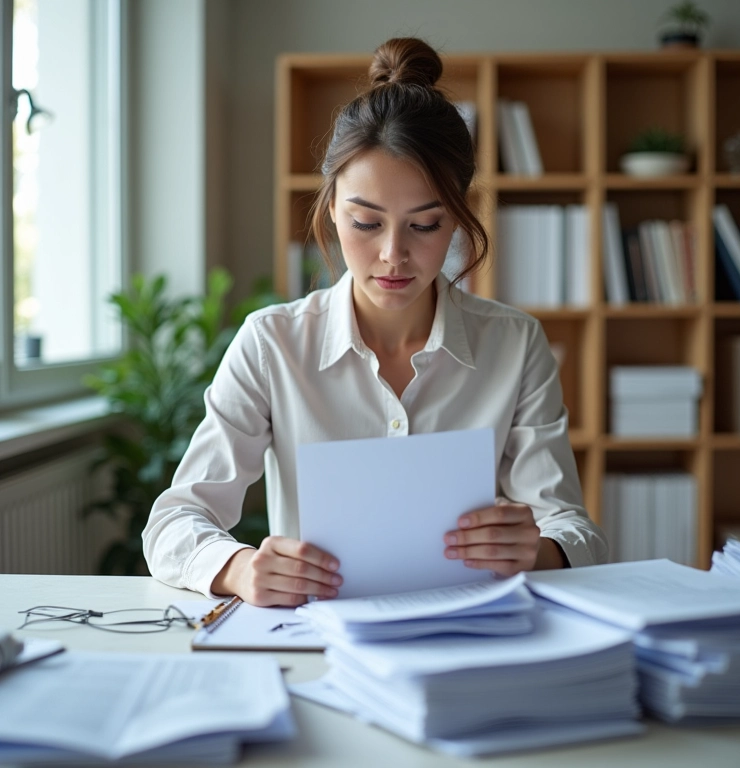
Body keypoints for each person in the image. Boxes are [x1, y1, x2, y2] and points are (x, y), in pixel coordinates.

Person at [143, 37, 608, 607]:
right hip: (317, 639)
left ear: (459, 218)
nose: (393, 255)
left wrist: (536, 550)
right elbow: (174, 521)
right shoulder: (273, 343)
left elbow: (576, 531)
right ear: (332, 208)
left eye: (425, 225)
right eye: (366, 222)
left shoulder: (514, 343)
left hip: (468, 637)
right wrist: (239, 568)